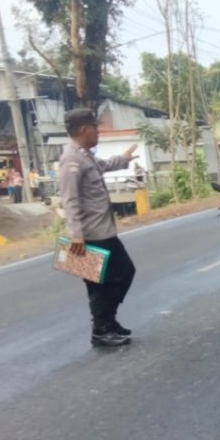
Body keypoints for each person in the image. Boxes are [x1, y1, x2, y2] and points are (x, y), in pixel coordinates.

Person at [59, 108, 139, 347]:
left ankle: (107, 322)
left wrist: (123, 158)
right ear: (84, 130)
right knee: (99, 283)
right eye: (95, 127)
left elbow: (103, 166)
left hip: (103, 232)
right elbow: (69, 200)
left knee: (123, 273)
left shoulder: (84, 155)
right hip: (90, 236)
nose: (98, 132)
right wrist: (76, 237)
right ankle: (101, 329)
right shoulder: (71, 161)